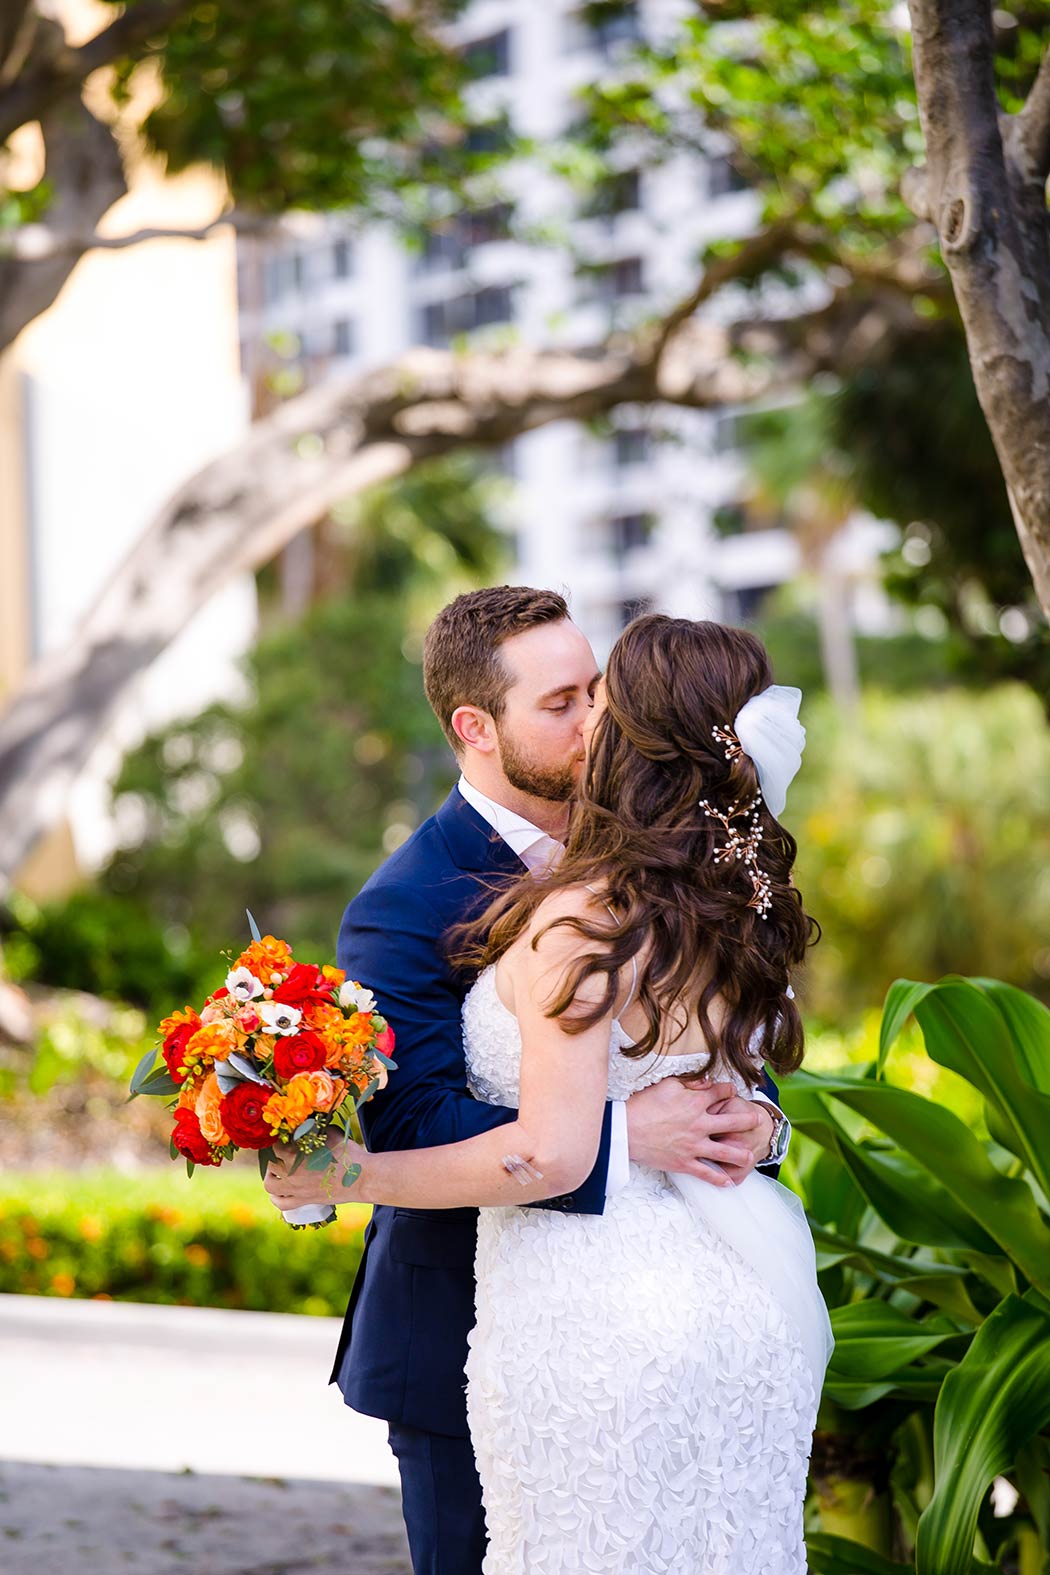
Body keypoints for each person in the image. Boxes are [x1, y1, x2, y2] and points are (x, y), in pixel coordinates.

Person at [265, 592, 802, 1575]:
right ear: (477, 728)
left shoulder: (678, 868)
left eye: (601, 687)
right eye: (564, 700)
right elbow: (415, 1115)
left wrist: (758, 1126)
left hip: (677, 1303)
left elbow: (741, 1073)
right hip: (476, 1334)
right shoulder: (404, 903)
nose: (596, 713)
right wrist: (629, 1135)